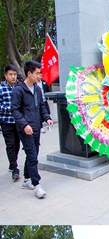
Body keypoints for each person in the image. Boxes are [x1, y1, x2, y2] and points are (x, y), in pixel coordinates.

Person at [11, 60, 52, 199]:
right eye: (37, 73)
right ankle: (36, 185)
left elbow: (41, 106)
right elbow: (15, 110)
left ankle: (26, 180)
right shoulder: (19, 90)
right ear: (29, 73)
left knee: (32, 153)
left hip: (36, 126)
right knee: (32, 155)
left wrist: (47, 117)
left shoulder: (37, 89)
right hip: (25, 129)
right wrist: (24, 125)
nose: (40, 76)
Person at [0, 64, 21, 181]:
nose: (13, 77)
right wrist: (11, 109)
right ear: (6, 76)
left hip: (18, 121)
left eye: (15, 74)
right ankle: (14, 168)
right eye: (10, 74)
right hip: (6, 121)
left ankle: (13, 161)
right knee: (10, 144)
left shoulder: (19, 87)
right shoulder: (1, 88)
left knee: (17, 144)